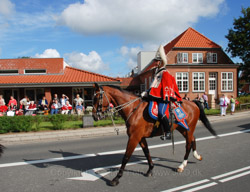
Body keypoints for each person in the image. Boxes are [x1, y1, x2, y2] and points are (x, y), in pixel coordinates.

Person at [146, 45, 182, 140]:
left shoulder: (164, 73)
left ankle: (168, 132)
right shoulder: (157, 73)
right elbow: (154, 86)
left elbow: (167, 86)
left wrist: (166, 96)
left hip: (163, 98)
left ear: (161, 62)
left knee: (161, 113)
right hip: (157, 97)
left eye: (157, 61)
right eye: (155, 61)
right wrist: (147, 92)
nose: (155, 63)